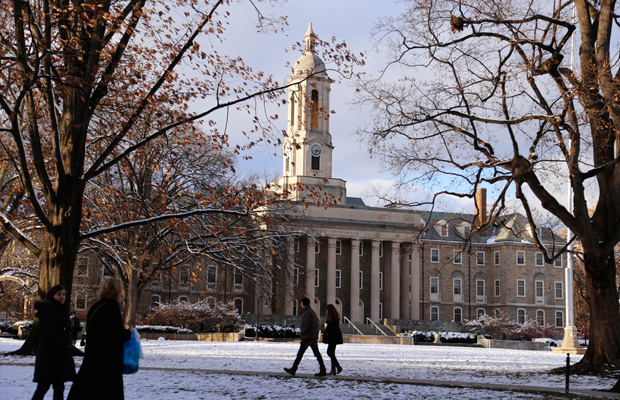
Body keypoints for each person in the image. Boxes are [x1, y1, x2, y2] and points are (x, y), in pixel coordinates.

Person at [68, 278, 131, 400]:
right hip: (107, 360)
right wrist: (127, 334)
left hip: (92, 355)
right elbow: (114, 333)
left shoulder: (96, 306)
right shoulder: (112, 308)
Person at [32, 285, 76, 400]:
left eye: (64, 294)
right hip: (49, 356)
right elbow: (50, 335)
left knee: (58, 386)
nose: (62, 297)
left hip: (56, 356)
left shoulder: (59, 310)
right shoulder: (50, 312)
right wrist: (64, 347)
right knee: (44, 386)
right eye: (59, 294)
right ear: (52, 296)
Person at [284, 297, 327, 377]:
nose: (300, 305)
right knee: (317, 354)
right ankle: (323, 369)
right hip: (313, 336)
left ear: (303, 304)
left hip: (307, 336)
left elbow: (306, 325)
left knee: (300, 353)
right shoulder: (312, 312)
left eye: (301, 303)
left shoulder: (307, 313)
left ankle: (293, 369)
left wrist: (302, 333)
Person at [322, 304, 344, 375]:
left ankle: (337, 366)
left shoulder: (331, 319)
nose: (326, 311)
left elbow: (329, 329)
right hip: (335, 337)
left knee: (330, 352)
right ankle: (333, 369)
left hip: (333, 337)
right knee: (332, 353)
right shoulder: (334, 318)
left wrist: (325, 334)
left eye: (327, 309)